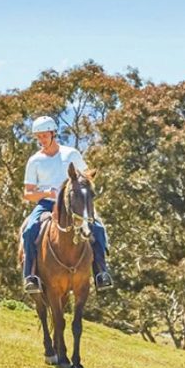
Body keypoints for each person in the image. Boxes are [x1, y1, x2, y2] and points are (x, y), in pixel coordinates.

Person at [21, 115, 113, 293]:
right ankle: (30, 277)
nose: (41, 140)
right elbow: (27, 193)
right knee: (29, 230)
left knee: (98, 228)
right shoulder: (34, 161)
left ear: (53, 133)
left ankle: (101, 273)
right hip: (47, 204)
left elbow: (85, 178)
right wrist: (47, 193)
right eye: (38, 137)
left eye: (44, 135)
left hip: (74, 203)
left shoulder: (71, 154)